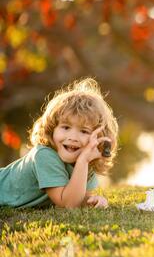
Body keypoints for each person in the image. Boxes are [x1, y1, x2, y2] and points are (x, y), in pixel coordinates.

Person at [0, 78, 118, 209]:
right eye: (66, 127)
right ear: (52, 129)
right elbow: (68, 204)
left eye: (84, 131)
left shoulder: (86, 162)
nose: (73, 137)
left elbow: (76, 197)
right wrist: (83, 161)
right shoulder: (45, 155)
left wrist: (91, 200)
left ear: (98, 137)